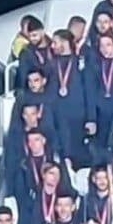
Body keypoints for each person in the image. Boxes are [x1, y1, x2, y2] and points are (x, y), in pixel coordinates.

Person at [47, 29, 96, 171]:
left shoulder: (80, 63)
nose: (52, 46)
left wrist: (91, 118)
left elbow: (89, 92)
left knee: (79, 155)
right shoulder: (50, 65)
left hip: (77, 116)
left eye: (55, 42)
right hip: (57, 116)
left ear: (64, 42)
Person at [16, 18, 53, 88]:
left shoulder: (54, 48)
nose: (32, 39)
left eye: (34, 35)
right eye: (29, 36)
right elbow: (23, 80)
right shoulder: (26, 53)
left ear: (42, 32)